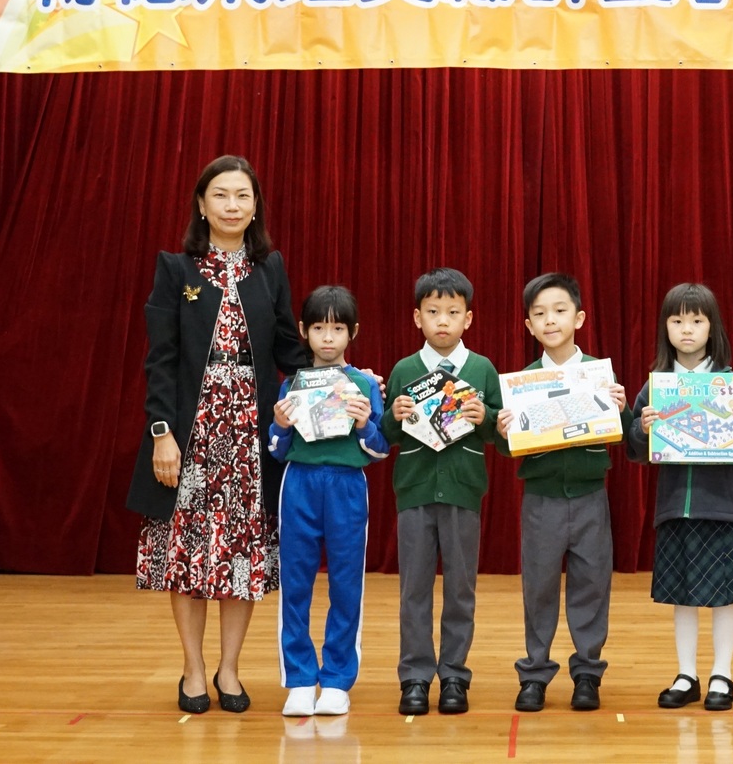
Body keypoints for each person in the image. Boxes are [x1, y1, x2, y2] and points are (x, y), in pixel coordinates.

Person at [126, 155, 309, 714]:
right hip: (192, 433)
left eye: (243, 196)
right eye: (221, 195)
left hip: (249, 435)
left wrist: (342, 376)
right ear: (202, 205)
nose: (233, 205)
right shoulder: (176, 269)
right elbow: (160, 360)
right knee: (186, 554)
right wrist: (162, 433)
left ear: (256, 207)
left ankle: (230, 668)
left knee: (240, 553)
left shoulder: (269, 268)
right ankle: (193, 668)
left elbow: (289, 348)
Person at [624, 283, 733, 712]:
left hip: (723, 507)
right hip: (675, 508)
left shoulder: (731, 385)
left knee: (725, 595)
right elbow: (634, 450)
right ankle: (686, 674)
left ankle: (722, 674)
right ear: (665, 328)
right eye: (677, 321)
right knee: (682, 594)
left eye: (696, 320)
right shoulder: (655, 388)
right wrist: (642, 428)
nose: (687, 329)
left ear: (713, 328)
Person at [494, 273, 630, 713]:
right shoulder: (522, 382)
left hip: (591, 497)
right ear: (529, 326)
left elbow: (622, 434)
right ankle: (534, 674)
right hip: (542, 499)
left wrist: (622, 409)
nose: (550, 320)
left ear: (579, 318)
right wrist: (503, 431)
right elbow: (508, 446)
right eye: (539, 314)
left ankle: (587, 673)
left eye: (559, 311)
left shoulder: (599, 376)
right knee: (539, 587)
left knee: (592, 585)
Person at [381, 268, 500, 716]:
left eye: (452, 312)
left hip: (464, 492)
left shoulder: (482, 369)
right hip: (414, 491)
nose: (443, 321)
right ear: (418, 318)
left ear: (468, 318)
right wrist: (393, 415)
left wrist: (486, 416)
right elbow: (387, 434)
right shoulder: (404, 370)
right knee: (413, 589)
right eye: (433, 312)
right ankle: (414, 677)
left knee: (460, 590)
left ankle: (454, 676)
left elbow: (502, 433)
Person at [269, 285, 388, 717]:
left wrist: (364, 424)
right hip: (299, 484)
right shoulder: (292, 385)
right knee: (295, 583)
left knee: (346, 584)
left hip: (347, 486)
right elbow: (277, 449)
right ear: (304, 330)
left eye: (338, 329)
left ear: (352, 332)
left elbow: (379, 450)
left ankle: (337, 680)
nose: (328, 337)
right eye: (319, 328)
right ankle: (300, 680)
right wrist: (280, 426)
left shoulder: (364, 384)